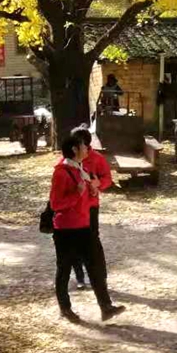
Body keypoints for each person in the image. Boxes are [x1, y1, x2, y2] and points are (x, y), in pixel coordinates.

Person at [49, 133, 126, 323]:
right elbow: (56, 204)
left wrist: (92, 190)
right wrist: (78, 194)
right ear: (74, 149)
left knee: (95, 266)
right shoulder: (61, 172)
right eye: (83, 146)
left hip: (83, 225)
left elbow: (100, 184)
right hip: (66, 229)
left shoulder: (80, 168)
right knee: (64, 269)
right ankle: (65, 308)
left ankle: (106, 307)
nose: (87, 149)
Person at [69, 126, 111, 291]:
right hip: (72, 207)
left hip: (91, 206)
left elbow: (107, 178)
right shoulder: (67, 159)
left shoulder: (97, 159)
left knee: (93, 242)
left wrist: (98, 183)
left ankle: (100, 277)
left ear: (85, 144)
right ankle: (80, 277)